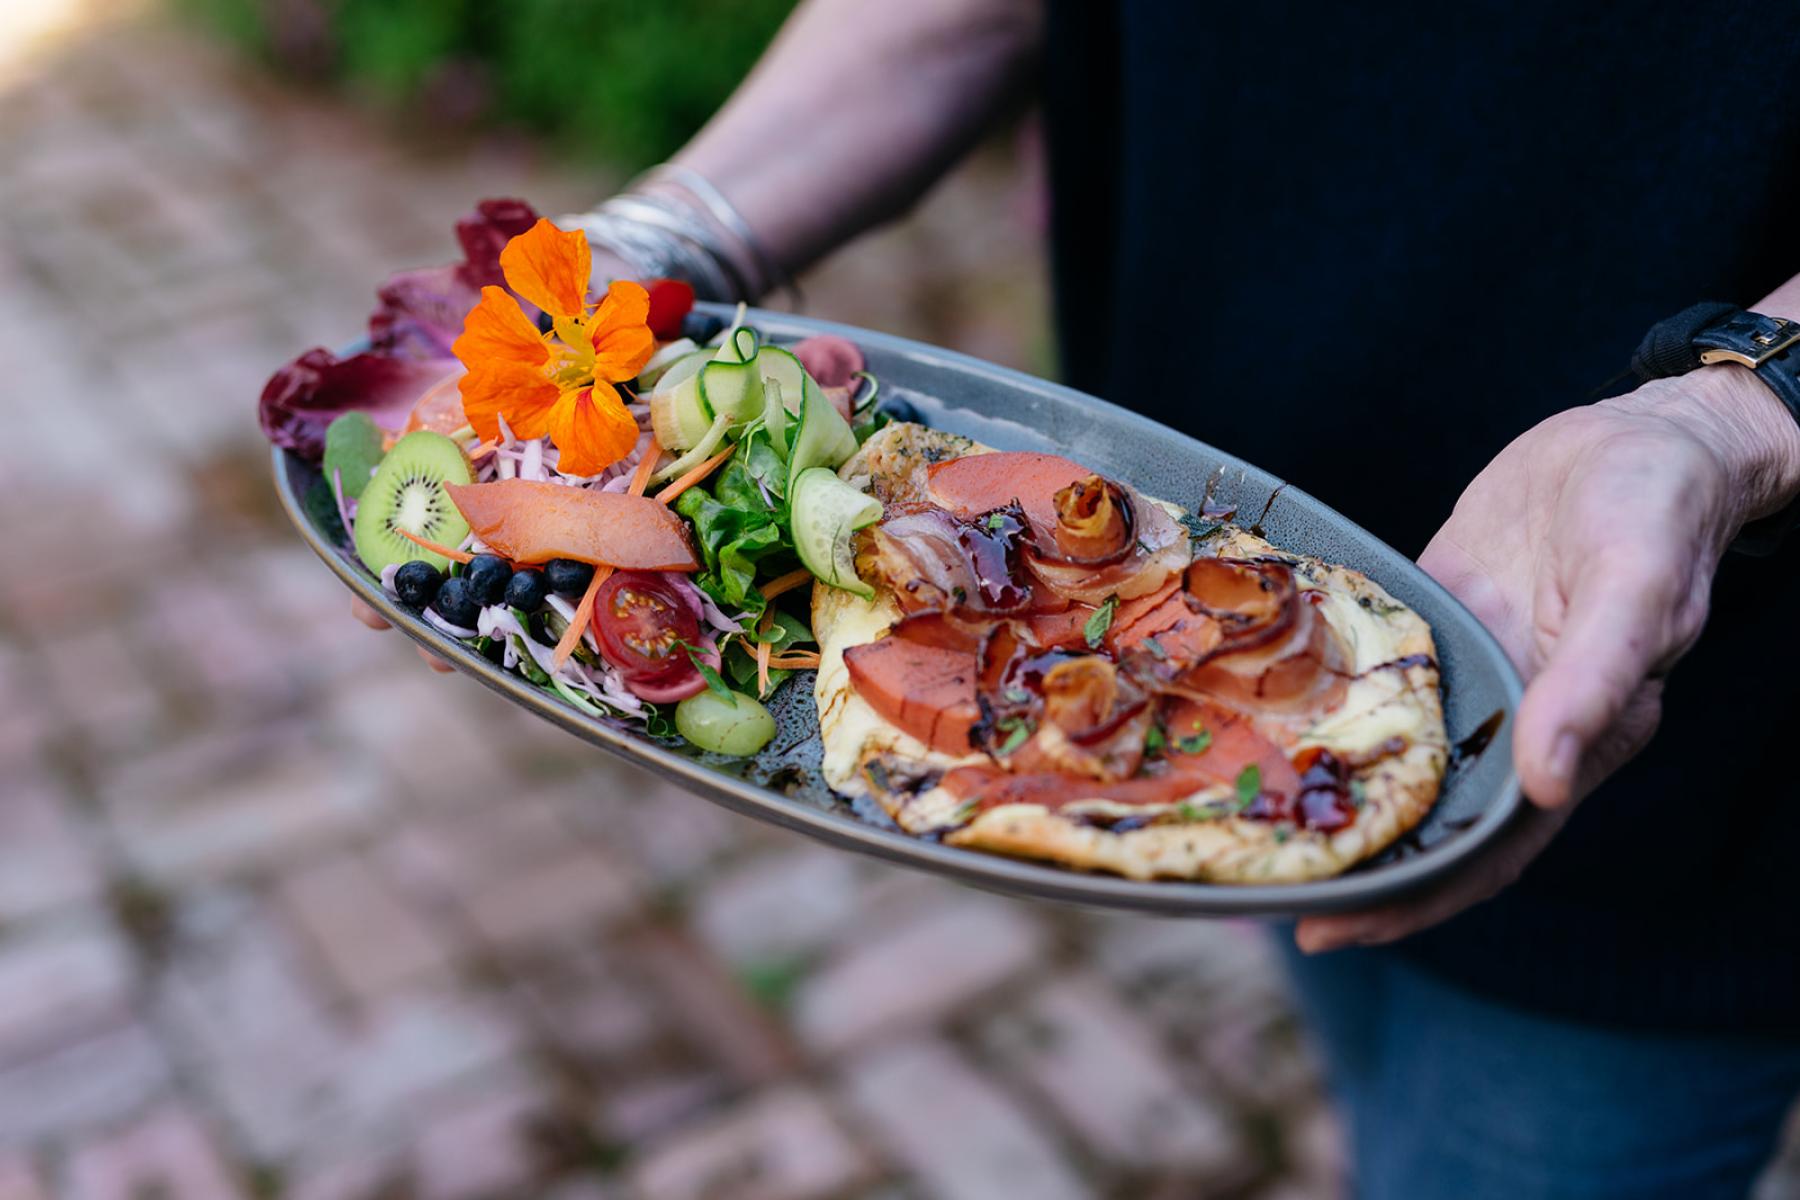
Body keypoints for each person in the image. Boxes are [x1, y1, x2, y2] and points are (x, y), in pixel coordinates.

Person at [357, 4, 1800, 1195]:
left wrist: (1736, 413)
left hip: (1676, 727)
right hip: (1177, 549)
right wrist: (663, 239)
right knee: (1353, 1020)